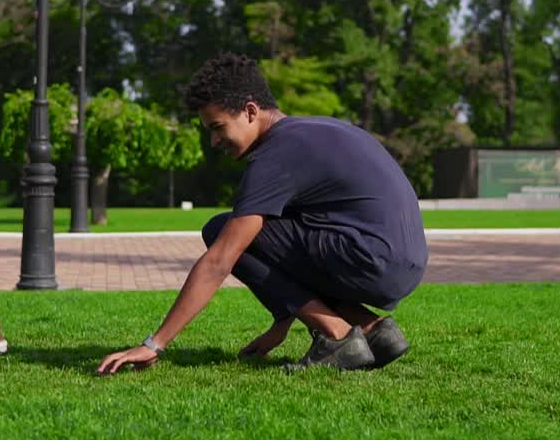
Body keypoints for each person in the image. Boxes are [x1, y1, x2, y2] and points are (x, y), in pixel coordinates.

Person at [97, 53, 428, 375]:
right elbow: (288, 252)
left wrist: (154, 344)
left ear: (251, 111)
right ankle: (373, 329)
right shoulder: (315, 131)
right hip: (404, 263)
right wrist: (281, 323)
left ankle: (337, 335)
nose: (213, 141)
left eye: (217, 127)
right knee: (256, 233)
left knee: (220, 230)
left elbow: (221, 259)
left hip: (371, 261)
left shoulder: (274, 156)